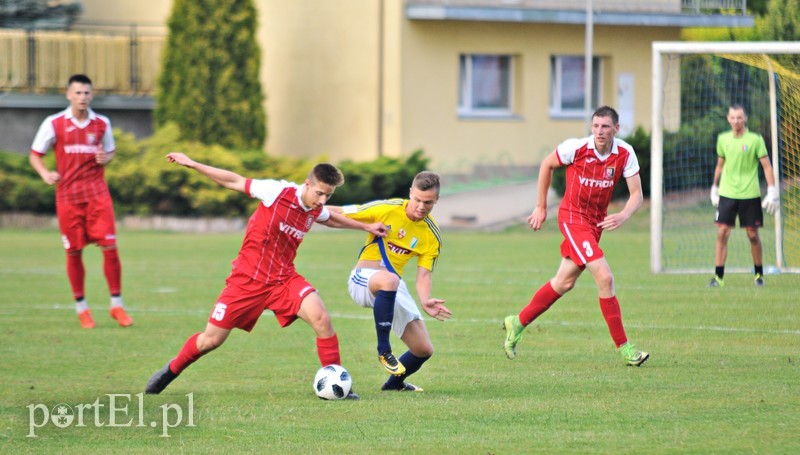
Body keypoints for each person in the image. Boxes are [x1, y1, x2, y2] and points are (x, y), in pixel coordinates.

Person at [145, 153, 386, 400]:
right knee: (210, 341)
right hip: (246, 280)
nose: (322, 200)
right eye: (319, 193)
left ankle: (338, 385)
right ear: (307, 184)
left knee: (321, 318)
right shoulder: (277, 192)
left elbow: (330, 218)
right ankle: (170, 371)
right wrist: (194, 164)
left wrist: (365, 227)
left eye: (328, 195)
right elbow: (234, 181)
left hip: (283, 280)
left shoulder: (315, 208)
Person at [502, 105, 649, 367]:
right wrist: (541, 206)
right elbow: (547, 164)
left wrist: (623, 215)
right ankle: (626, 349)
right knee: (605, 277)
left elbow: (637, 194)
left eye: (605, 126)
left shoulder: (625, 154)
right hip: (572, 218)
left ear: (616, 128)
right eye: (595, 126)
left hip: (595, 224)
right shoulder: (577, 148)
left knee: (563, 283)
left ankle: (518, 322)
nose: (599, 131)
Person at [328, 171, 452, 392]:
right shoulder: (386, 209)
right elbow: (337, 212)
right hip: (362, 280)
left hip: (392, 286)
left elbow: (424, 274)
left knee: (423, 349)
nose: (421, 207)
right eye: (418, 200)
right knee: (390, 279)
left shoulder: (431, 235)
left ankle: (394, 385)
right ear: (410, 193)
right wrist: (309, 206)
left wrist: (425, 300)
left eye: (428, 203)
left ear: (436, 201)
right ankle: (384, 350)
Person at [29, 74, 133, 329]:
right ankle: (82, 309)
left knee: (110, 247)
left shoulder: (101, 123)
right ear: (68, 95)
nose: (82, 97)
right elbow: (35, 155)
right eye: (78, 93)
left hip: (97, 195)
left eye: (86, 93)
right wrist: (45, 174)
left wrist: (105, 158)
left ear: (92, 95)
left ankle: (116, 305)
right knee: (73, 251)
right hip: (68, 197)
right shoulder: (54, 123)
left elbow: (110, 151)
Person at [708, 104, 778, 288]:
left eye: (739, 117)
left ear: (745, 118)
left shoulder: (755, 140)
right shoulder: (723, 139)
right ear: (728, 119)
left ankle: (758, 275)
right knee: (722, 232)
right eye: (732, 118)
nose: (736, 121)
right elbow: (720, 165)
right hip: (727, 193)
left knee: (752, 235)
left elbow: (767, 166)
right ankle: (718, 277)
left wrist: (772, 190)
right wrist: (714, 188)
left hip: (750, 194)